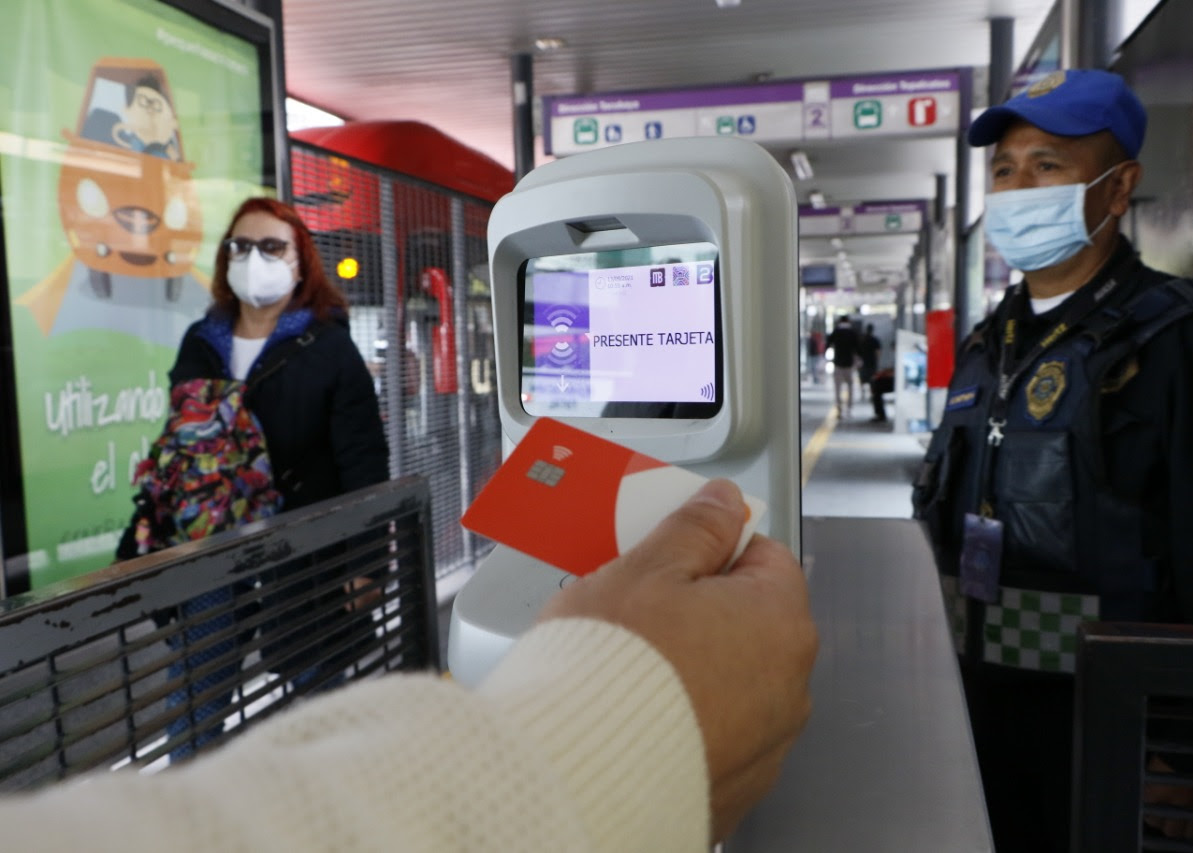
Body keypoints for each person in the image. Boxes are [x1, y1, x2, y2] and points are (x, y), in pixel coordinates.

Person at [0, 479, 818, 852]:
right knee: (219, 692)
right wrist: (597, 738)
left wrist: (363, 561)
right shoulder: (202, 350)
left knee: (309, 672)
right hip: (227, 561)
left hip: (306, 567)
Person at [911, 68, 1193, 851]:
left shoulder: (1191, 340)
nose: (1017, 190)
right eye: (1004, 170)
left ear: (1119, 190)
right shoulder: (987, 347)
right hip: (975, 705)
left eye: (1047, 166)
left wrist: (1192, 748)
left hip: (1118, 722)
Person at [120, 197, 390, 758]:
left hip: (303, 553)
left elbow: (363, 461)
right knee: (201, 696)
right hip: (211, 553)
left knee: (317, 689)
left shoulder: (330, 348)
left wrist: (366, 565)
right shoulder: (202, 341)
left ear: (300, 261)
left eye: (272, 247)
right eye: (240, 247)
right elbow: (180, 450)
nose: (254, 259)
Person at [825, 314, 860, 418]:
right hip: (849, 364)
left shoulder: (836, 332)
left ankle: (839, 407)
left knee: (837, 387)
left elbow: (828, 344)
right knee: (850, 386)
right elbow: (857, 348)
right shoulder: (852, 333)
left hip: (838, 363)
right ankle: (849, 407)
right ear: (848, 322)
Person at [857, 323, 881, 404]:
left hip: (863, 363)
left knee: (862, 379)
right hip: (872, 363)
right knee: (872, 380)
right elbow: (877, 352)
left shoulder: (862, 340)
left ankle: (862, 394)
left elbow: (858, 352)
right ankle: (872, 394)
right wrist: (877, 361)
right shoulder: (875, 340)